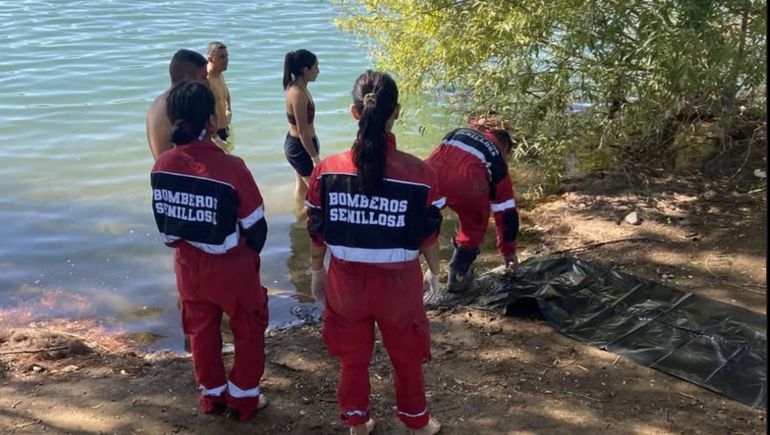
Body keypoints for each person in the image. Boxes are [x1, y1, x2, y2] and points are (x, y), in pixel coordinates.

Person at [305, 70, 443, 435]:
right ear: (396, 112)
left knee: (352, 360)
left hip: (346, 282)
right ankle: (417, 422)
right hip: (398, 285)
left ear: (354, 113)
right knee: (407, 357)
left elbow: (316, 228)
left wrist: (317, 271)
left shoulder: (327, 170)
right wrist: (435, 272)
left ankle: (357, 421)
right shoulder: (420, 172)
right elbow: (429, 233)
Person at [150, 80, 269, 421]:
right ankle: (244, 399)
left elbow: (166, 225)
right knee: (248, 327)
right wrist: (249, 257)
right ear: (212, 121)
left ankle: (212, 396)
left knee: (201, 330)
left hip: (187, 264)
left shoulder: (163, 165)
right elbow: (256, 227)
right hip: (231, 266)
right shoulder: (232, 168)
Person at [425, 114, 520, 293]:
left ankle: (406, 264)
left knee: (421, 218)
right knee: (474, 225)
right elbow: (506, 212)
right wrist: (508, 251)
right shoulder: (497, 159)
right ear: (505, 148)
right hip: (467, 185)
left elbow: (438, 157)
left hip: (431, 173)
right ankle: (457, 274)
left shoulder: (457, 132)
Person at [146, 49, 208, 160]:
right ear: (188, 78)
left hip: (163, 172)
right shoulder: (179, 106)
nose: (208, 82)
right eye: (204, 77)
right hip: (180, 172)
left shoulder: (156, 103)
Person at [283, 49, 320, 203]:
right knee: (316, 191)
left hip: (304, 144)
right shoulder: (297, 93)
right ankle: (311, 218)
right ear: (306, 70)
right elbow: (303, 131)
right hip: (300, 147)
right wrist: (315, 157)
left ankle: (300, 218)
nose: (318, 71)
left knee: (302, 186)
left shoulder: (300, 87)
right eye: (316, 67)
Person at [206, 41, 234, 153]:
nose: (226, 60)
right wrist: (214, 138)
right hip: (213, 135)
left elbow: (225, 94)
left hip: (225, 128)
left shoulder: (220, 74)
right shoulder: (206, 81)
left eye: (227, 56)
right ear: (210, 59)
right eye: (222, 57)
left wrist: (229, 109)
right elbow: (202, 112)